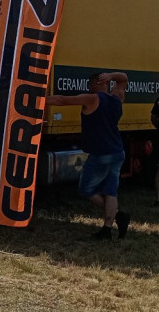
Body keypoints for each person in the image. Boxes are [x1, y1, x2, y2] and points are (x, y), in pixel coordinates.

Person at [48, 71, 130, 239]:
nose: (88, 87)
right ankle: (107, 229)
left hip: (100, 153)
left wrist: (36, 99)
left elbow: (61, 100)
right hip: (117, 151)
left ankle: (119, 215)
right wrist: (112, 76)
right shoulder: (117, 98)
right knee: (110, 191)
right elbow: (124, 79)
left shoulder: (92, 99)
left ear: (97, 82)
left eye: (89, 84)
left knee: (86, 190)